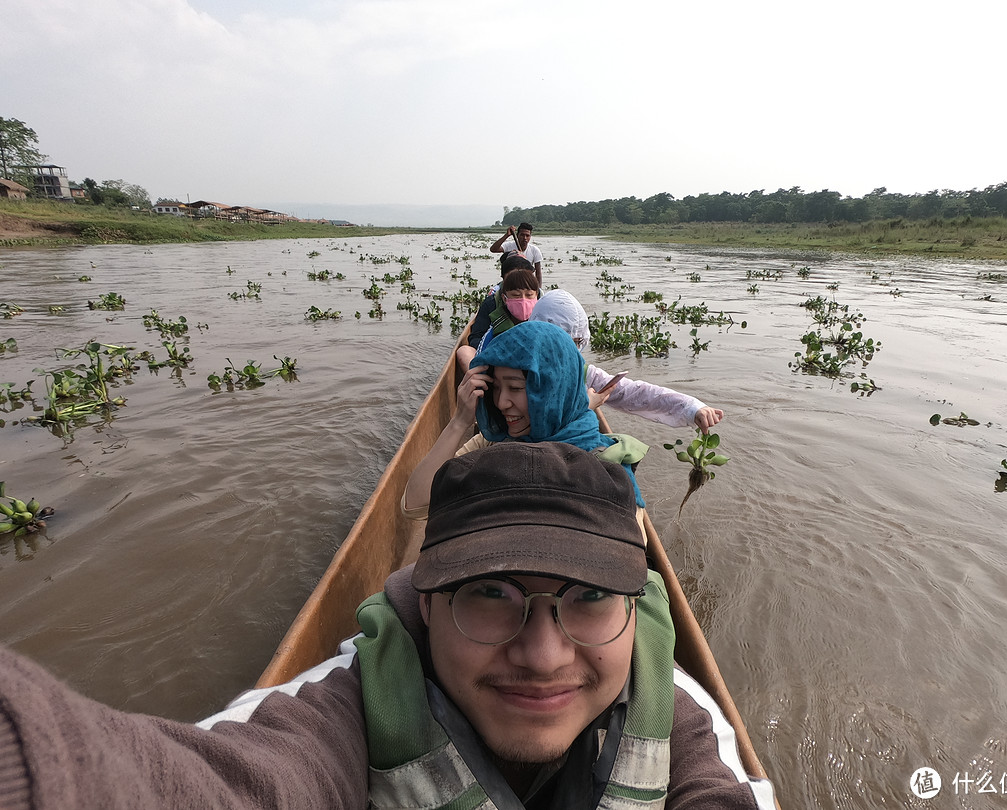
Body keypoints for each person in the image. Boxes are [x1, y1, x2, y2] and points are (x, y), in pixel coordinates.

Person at [0, 443, 777, 808]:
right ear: (425, 600)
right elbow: (215, 782)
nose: (543, 657)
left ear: (631, 607)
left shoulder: (681, 714)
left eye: (588, 599)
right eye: (490, 593)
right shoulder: (338, 711)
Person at [406, 320, 649, 517]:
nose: (501, 403)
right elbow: (415, 505)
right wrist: (459, 421)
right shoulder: (493, 441)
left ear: (551, 391)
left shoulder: (605, 466)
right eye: (497, 388)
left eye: (515, 388)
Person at [531, 289, 724, 433]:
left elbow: (636, 393)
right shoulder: (512, 373)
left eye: (576, 342)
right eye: (559, 342)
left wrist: (692, 407)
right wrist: (585, 406)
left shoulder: (582, 374)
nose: (568, 351)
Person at [457, 254, 536, 372]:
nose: (520, 281)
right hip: (496, 360)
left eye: (528, 294)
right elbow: (476, 337)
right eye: (516, 294)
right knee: (464, 352)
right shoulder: (491, 303)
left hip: (528, 363)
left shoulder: (541, 305)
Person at [490, 221, 543, 286]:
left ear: (530, 237)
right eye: (522, 235)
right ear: (517, 235)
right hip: (510, 281)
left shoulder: (535, 250)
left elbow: (538, 273)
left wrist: (539, 289)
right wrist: (507, 235)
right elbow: (493, 249)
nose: (525, 238)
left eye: (527, 235)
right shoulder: (509, 246)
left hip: (526, 282)